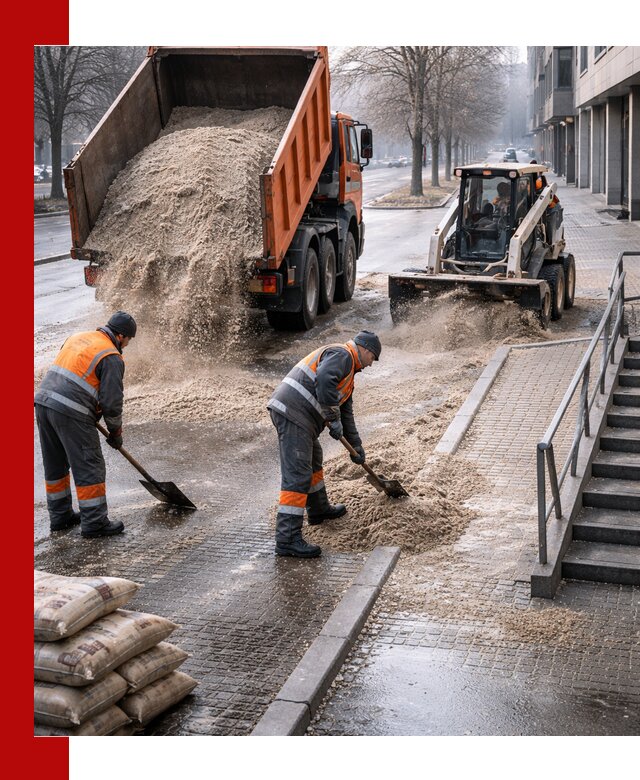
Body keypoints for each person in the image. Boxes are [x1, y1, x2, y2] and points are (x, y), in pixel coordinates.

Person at [267, 330, 381, 559]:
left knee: (313, 459)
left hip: (301, 417)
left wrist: (356, 446)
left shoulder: (349, 374)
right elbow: (325, 378)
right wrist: (331, 416)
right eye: (373, 358)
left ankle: (318, 509)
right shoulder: (343, 355)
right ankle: (287, 539)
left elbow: (346, 413)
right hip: (294, 413)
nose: (371, 364)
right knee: (297, 474)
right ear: (366, 350)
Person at [34, 311, 137, 538]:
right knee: (89, 464)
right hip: (71, 412)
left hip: (43, 403)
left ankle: (60, 517)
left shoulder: (78, 337)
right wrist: (115, 433)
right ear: (120, 336)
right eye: (128, 340)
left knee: (56, 464)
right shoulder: (111, 356)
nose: (127, 345)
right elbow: (111, 403)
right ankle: (95, 523)